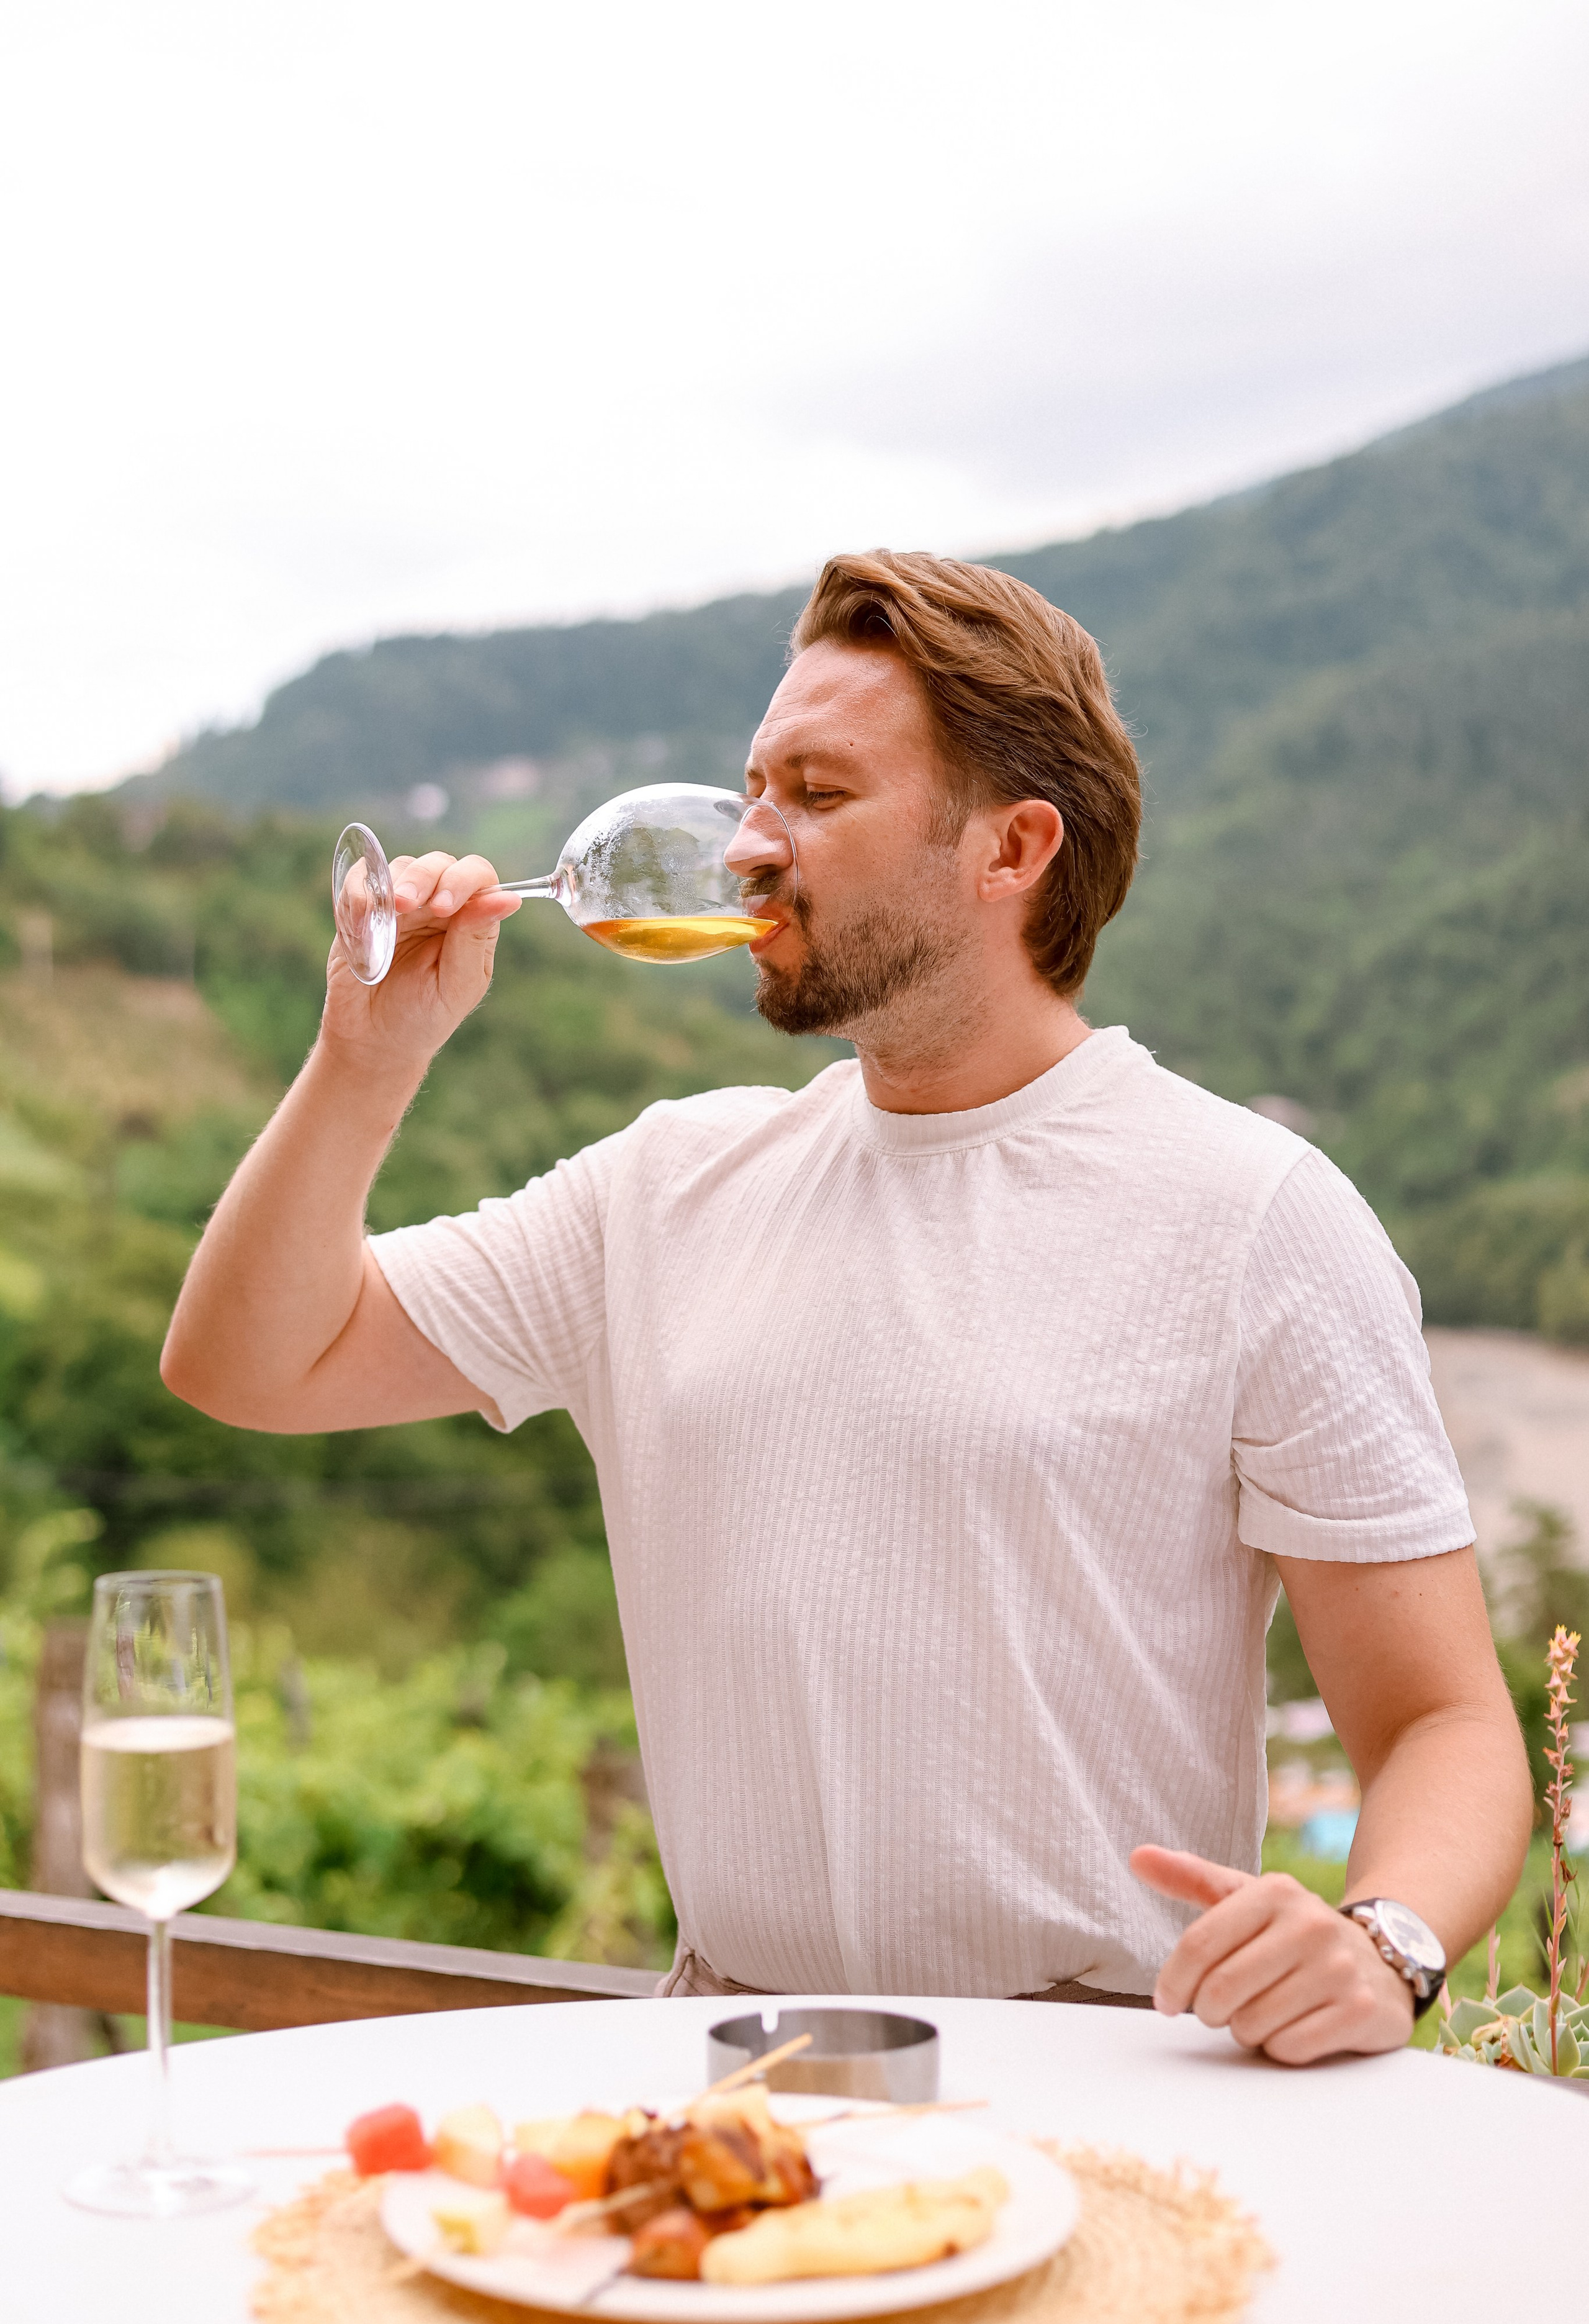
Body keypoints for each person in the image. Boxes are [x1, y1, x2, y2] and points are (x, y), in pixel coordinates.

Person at [163, 549, 1532, 2061]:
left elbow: (1442, 1727)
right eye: (753, 788)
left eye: (815, 796)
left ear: (1009, 849)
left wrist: (1378, 1940)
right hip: (736, 2081)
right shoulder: (665, 1186)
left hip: (1116, 2080)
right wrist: (366, 1063)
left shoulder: (1256, 1214)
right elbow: (249, 1361)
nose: (751, 846)